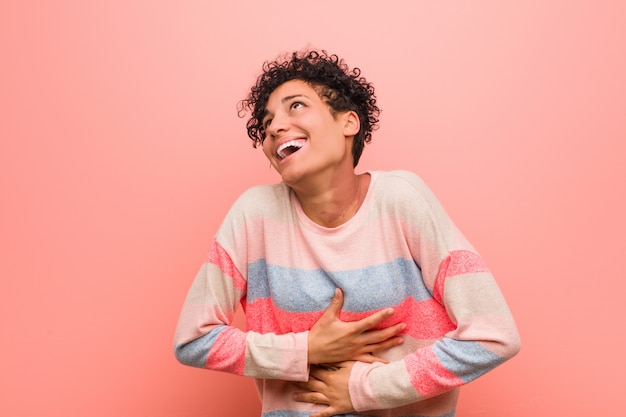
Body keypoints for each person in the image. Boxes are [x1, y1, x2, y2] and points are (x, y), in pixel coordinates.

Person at [174, 49, 521, 417]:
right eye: (267, 121)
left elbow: (494, 335)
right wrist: (306, 349)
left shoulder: (401, 199)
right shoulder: (254, 214)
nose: (274, 126)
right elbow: (194, 338)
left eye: (295, 106)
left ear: (349, 123)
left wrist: (365, 390)